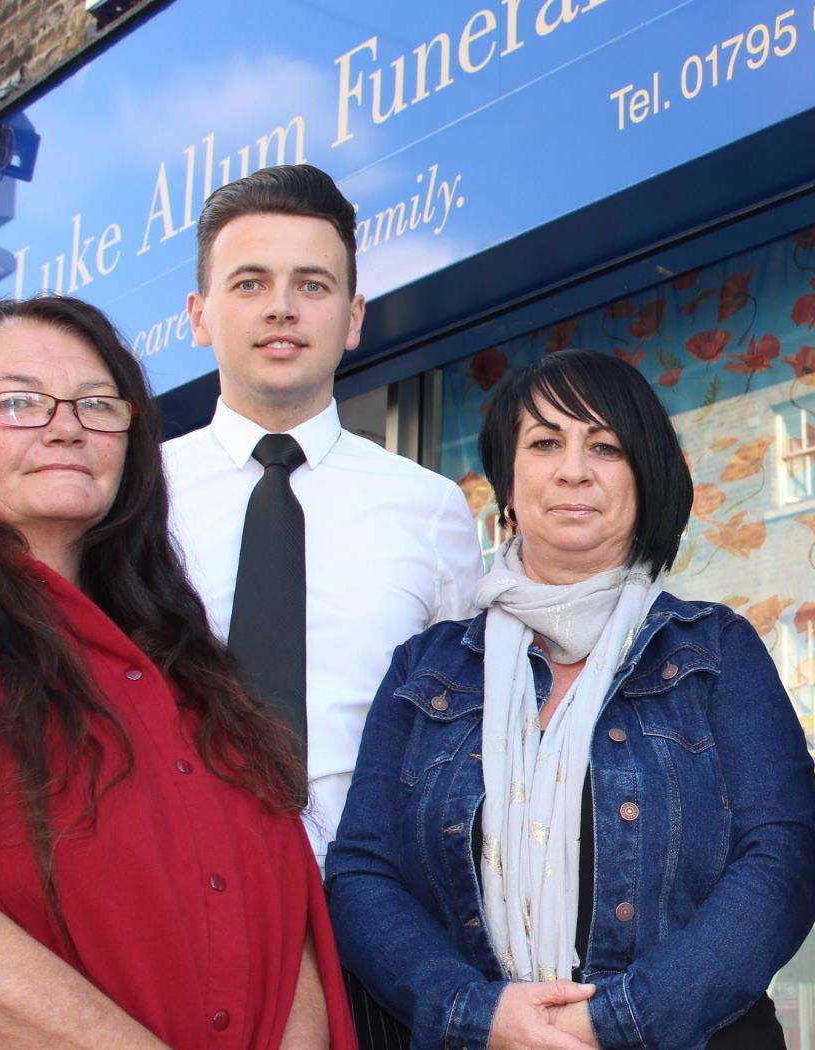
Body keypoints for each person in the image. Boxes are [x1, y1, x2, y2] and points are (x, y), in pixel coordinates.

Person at [0, 296, 354, 1047]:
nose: (66, 426)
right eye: (18, 402)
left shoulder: (182, 663)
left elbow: (288, 921)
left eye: (97, 404)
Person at [326, 348, 815, 1049]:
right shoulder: (425, 668)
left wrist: (621, 1019)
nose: (573, 470)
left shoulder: (716, 651)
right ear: (507, 481)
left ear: (644, 478)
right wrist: (478, 1014)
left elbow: (782, 859)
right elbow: (361, 872)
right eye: (545, 443)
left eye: (605, 446)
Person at [164, 163, 483, 1045]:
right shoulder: (131, 500)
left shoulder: (431, 510)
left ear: (351, 319)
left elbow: (464, 735)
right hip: (174, 917)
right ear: (200, 317)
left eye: (312, 284)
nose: (281, 308)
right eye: (250, 283)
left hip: (374, 934)